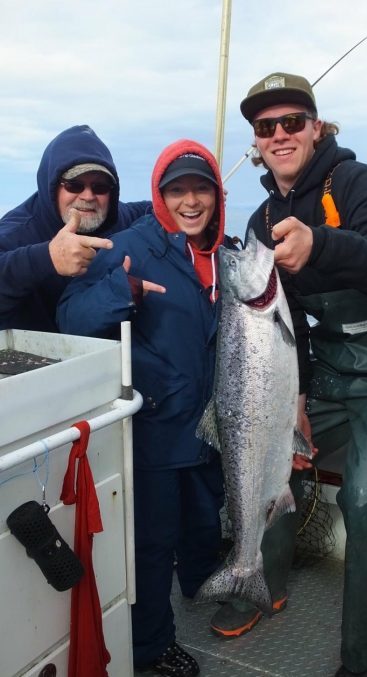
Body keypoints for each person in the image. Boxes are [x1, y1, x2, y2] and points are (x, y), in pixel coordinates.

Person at [210, 72, 367, 676]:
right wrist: (291, 398)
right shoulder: (262, 217)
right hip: (323, 369)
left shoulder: (354, 181)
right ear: (257, 142)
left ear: (316, 129)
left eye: (293, 122)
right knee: (260, 448)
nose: (280, 134)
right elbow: (278, 326)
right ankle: (256, 577)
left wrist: (320, 244)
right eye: (267, 127)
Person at [58, 139, 236, 677]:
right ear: (158, 196)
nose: (189, 201)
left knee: (206, 524)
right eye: (175, 189)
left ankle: (206, 584)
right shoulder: (123, 247)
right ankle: (151, 648)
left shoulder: (229, 254)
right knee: (153, 544)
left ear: (216, 195)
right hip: (156, 426)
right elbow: (70, 318)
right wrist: (122, 289)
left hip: (213, 427)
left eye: (200, 188)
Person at [0, 124, 150, 332]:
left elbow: (156, 208)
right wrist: (46, 258)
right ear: (51, 185)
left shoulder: (116, 217)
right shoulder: (19, 231)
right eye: (74, 185)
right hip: (34, 359)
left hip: (104, 355)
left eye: (100, 187)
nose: (88, 196)